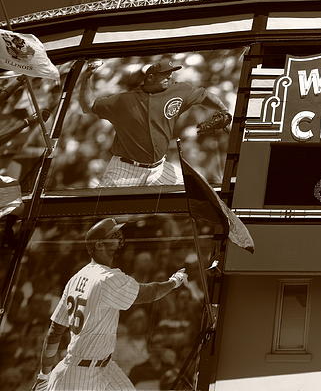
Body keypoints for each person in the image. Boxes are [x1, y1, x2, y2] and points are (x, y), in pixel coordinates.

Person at [35, 218, 187, 390]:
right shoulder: (107, 278)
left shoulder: (76, 278)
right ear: (99, 244)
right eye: (112, 234)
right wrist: (174, 281)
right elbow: (149, 293)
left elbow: (55, 332)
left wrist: (44, 373)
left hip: (105, 366)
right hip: (78, 374)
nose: (118, 236)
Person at [78, 58, 231, 187]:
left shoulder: (178, 91)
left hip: (159, 169)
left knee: (196, 191)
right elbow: (88, 106)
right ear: (150, 77)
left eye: (170, 73)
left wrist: (224, 110)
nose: (170, 77)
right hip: (125, 170)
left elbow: (204, 95)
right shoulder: (123, 100)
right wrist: (86, 78)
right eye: (165, 75)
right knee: (103, 210)